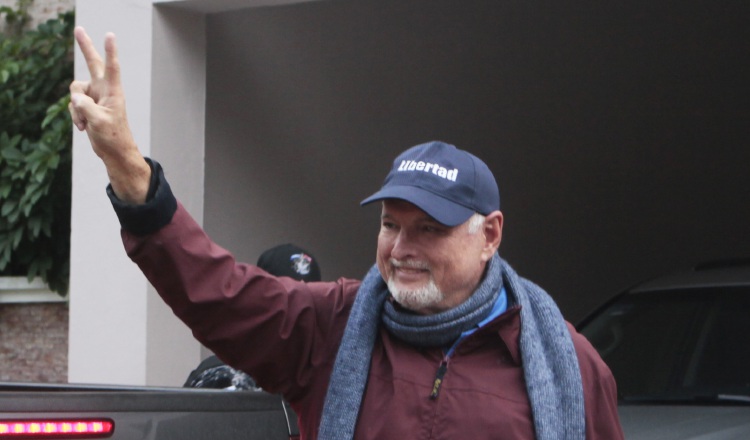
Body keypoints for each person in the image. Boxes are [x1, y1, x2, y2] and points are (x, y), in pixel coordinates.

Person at [69, 27, 624, 440]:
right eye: (390, 225)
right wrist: (129, 170)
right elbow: (219, 292)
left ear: (490, 235)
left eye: (429, 229)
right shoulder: (328, 328)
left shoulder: (566, 362)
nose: (403, 249)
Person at [184, 243, 322, 390]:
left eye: (309, 301)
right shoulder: (218, 376)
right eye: (286, 301)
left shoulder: (333, 379)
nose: (299, 312)